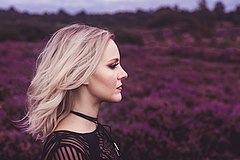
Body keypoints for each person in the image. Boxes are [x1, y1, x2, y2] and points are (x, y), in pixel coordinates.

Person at [22, 24, 128, 160]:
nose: (124, 74)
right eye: (112, 66)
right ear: (81, 74)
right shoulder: (67, 150)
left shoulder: (96, 131)